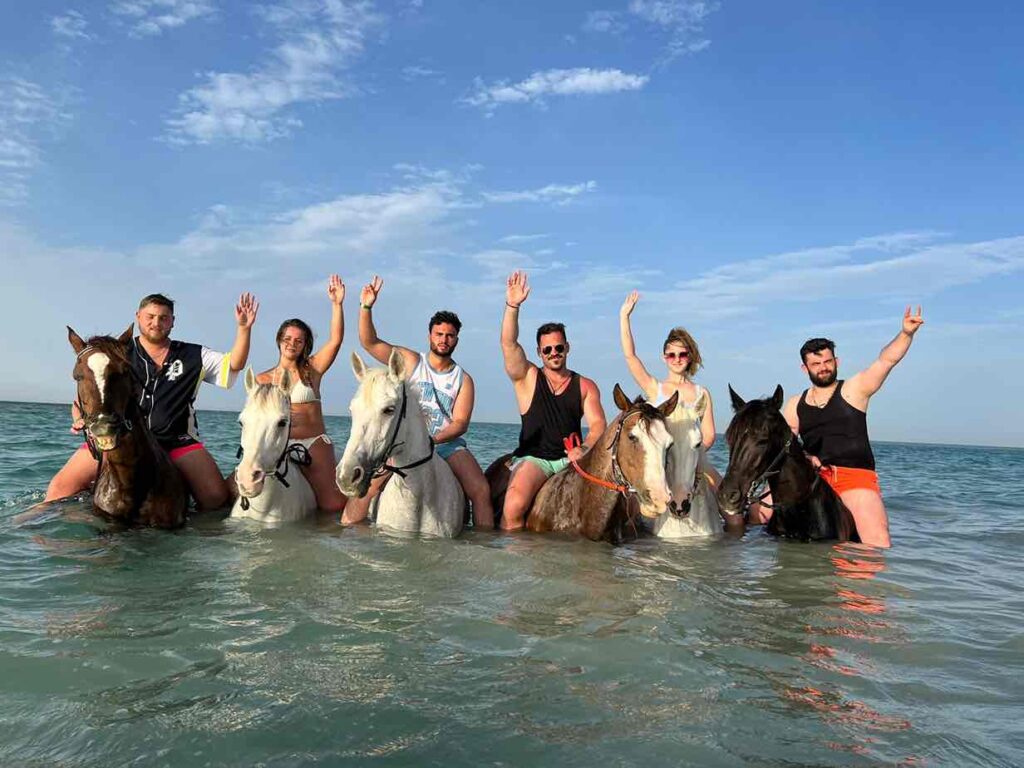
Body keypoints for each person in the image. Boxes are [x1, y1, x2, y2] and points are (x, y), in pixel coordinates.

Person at [45, 291, 259, 510]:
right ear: (138, 317)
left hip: (176, 440)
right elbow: (87, 394)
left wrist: (244, 328)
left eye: (164, 317)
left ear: (172, 322)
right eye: (150, 316)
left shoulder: (193, 354)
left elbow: (234, 364)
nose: (156, 322)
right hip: (118, 440)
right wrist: (81, 418)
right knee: (58, 489)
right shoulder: (116, 353)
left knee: (215, 497)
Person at [754, 306, 925, 548]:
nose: (823, 367)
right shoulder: (795, 404)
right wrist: (806, 457)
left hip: (854, 477)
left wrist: (906, 333)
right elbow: (785, 446)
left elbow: (886, 360)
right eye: (816, 364)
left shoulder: (854, 390)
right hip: (811, 477)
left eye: (827, 361)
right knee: (755, 513)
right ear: (805, 368)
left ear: (836, 361)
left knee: (877, 539)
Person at [341, 275, 494, 529]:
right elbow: (370, 342)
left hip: (446, 445)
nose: (444, 339)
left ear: (456, 339)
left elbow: (460, 423)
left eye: (450, 335)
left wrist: (432, 441)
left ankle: (483, 543)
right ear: (430, 336)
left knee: (480, 490)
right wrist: (366, 307)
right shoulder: (411, 362)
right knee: (367, 485)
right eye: (439, 334)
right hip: (403, 443)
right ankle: (346, 530)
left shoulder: (463, 379)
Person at [500, 270, 607, 531]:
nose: (554, 353)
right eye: (547, 349)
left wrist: (584, 448)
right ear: (539, 352)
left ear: (567, 348)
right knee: (513, 504)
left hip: (573, 457)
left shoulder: (585, 385)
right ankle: (514, 559)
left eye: (559, 347)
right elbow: (508, 342)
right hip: (537, 459)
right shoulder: (527, 377)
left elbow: (597, 426)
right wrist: (512, 306)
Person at [254, 274, 347, 513]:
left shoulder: (312, 370)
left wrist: (337, 304)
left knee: (333, 504)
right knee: (230, 490)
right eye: (287, 339)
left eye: (298, 340)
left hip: (312, 442)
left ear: (305, 344)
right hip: (275, 445)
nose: (291, 344)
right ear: (279, 340)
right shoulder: (261, 379)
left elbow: (335, 341)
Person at [619, 290, 717, 451]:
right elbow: (630, 356)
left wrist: (692, 457)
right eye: (671, 355)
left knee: (719, 478)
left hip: (692, 458)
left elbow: (709, 435)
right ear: (664, 357)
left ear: (690, 356)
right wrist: (624, 317)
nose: (677, 359)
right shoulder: (654, 387)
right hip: (660, 459)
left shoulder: (701, 393)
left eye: (682, 354)